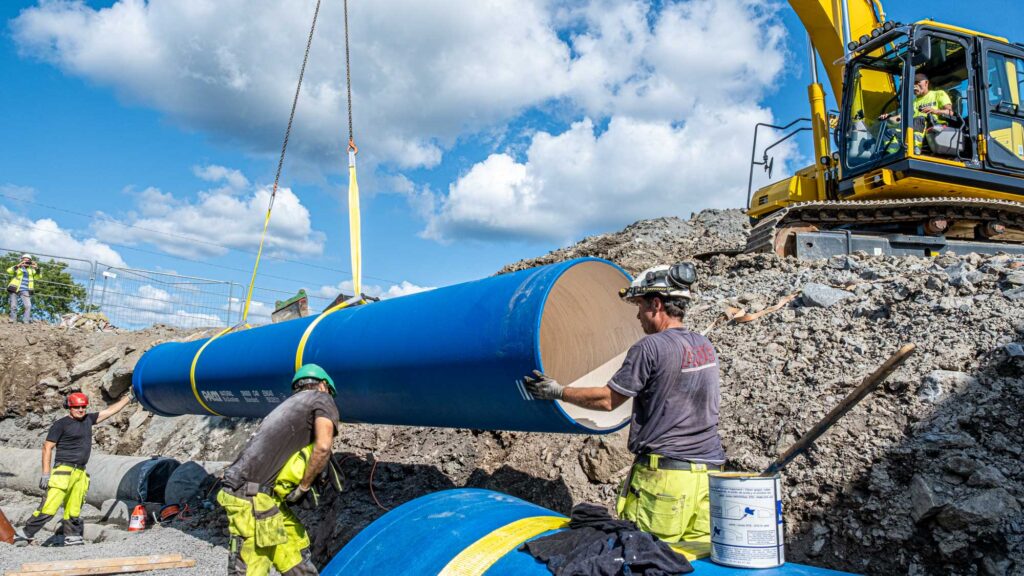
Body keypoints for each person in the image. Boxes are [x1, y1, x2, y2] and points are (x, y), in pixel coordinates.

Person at [524, 262, 725, 544]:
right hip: (709, 477)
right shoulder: (704, 346)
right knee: (696, 561)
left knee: (647, 558)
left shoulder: (650, 347)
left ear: (656, 304)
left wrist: (558, 391)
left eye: (640, 306)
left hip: (666, 481)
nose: (638, 316)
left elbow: (609, 400)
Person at [216, 364, 340, 576]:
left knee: (292, 548)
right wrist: (303, 486)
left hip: (260, 495)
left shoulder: (287, 407)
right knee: (253, 565)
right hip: (251, 497)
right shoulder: (321, 398)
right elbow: (323, 447)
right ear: (323, 385)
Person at [14, 391, 133, 546]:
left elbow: (110, 411)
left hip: (80, 473)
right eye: (77, 407)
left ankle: (72, 536)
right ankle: (25, 534)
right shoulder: (61, 424)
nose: (81, 410)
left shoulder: (88, 420)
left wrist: (129, 398)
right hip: (63, 471)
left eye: (83, 406)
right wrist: (45, 473)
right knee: (49, 507)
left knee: (74, 508)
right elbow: (47, 447)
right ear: (69, 407)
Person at [880, 72, 954, 155]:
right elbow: (900, 118)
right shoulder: (913, 102)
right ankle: (892, 154)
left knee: (918, 119)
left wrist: (935, 111)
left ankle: (916, 150)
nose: (914, 86)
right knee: (889, 131)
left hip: (935, 128)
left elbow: (950, 112)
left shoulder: (938, 94)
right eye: (913, 84)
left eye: (917, 83)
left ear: (926, 83)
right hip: (915, 128)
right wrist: (888, 117)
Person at [7, 254, 40, 323]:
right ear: (22, 260)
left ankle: (26, 321)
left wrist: (37, 268)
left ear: (30, 262)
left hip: (25, 290)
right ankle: (13, 320)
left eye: (28, 261)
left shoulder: (32, 270)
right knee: (13, 305)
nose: (26, 262)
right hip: (14, 288)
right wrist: (19, 265)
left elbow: (38, 277)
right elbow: (9, 271)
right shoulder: (18, 267)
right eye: (25, 260)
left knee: (28, 305)